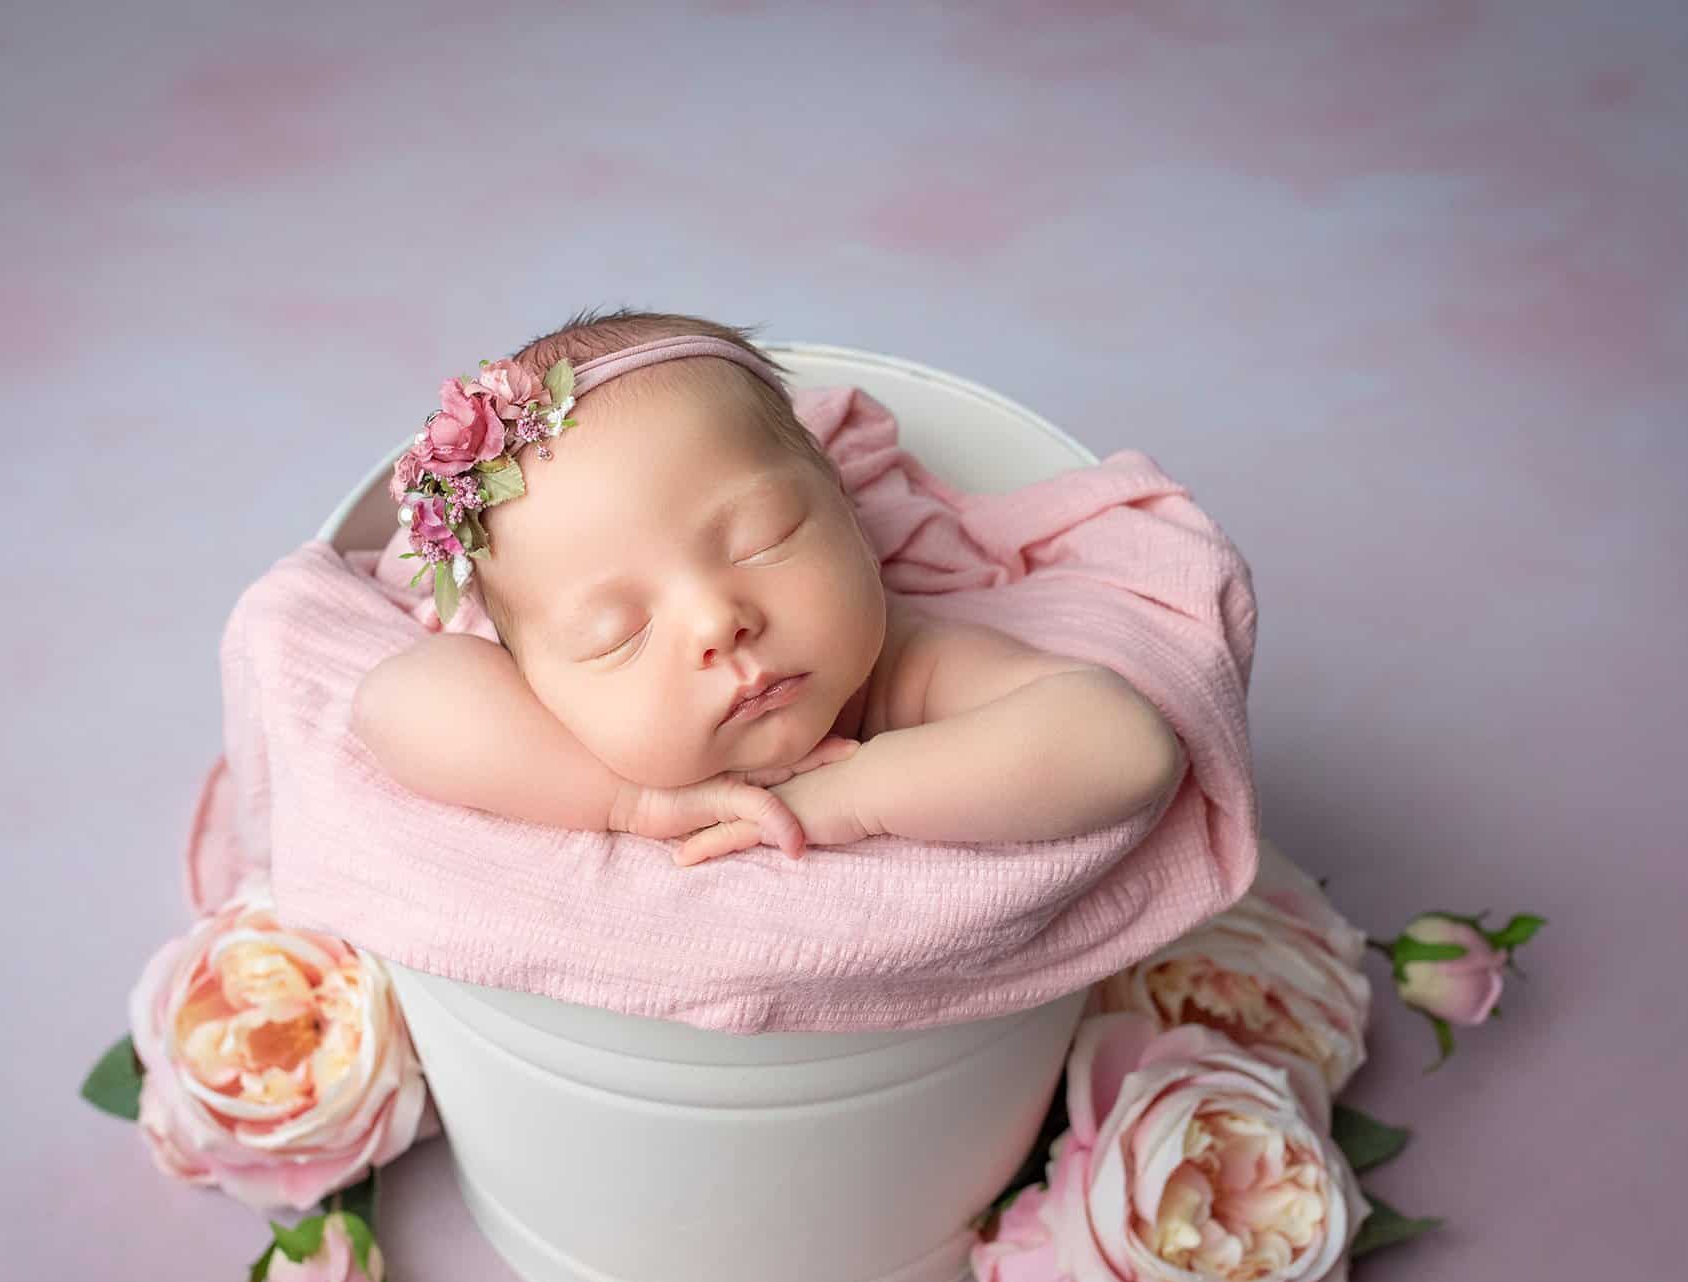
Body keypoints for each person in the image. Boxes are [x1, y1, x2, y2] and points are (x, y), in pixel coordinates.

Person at [352, 309, 1183, 868]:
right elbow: (394, 703)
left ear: (848, 508)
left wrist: (854, 795)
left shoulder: (907, 667)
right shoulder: (553, 726)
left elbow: (1125, 744)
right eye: (615, 632)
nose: (719, 619)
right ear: (530, 674)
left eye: (764, 539)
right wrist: (630, 801)